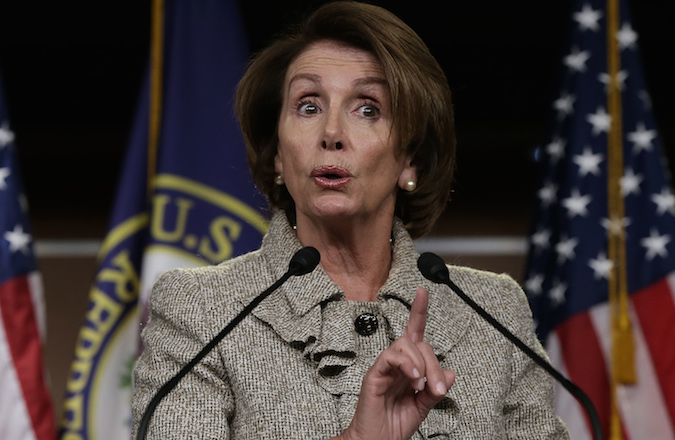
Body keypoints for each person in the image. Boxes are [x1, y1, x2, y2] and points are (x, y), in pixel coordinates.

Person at [131, 2, 570, 439]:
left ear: (411, 161)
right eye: (307, 106)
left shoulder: (493, 311)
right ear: (278, 155)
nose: (331, 133)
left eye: (367, 108)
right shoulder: (199, 309)